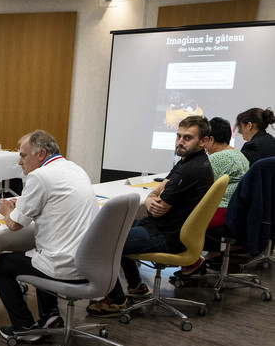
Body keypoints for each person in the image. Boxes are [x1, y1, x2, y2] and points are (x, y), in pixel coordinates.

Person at [87, 115, 214, 316]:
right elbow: (160, 188)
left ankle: (116, 300)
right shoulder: (189, 162)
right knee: (115, 230)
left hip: (166, 235)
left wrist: (153, 199)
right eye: (179, 136)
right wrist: (151, 196)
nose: (180, 141)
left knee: (103, 243)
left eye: (187, 138)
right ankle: (136, 286)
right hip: (162, 227)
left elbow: (157, 208)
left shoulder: (192, 169)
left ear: (204, 141)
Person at [0, 130, 98, 340]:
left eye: (23, 155)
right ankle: (49, 315)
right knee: (36, 250)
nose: (20, 162)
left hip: (64, 266)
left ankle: (24, 327)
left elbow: (14, 224)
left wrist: (5, 210)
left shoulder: (40, 176)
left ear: (41, 154)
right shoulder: (74, 168)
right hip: (89, 263)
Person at [176, 117, 248, 276]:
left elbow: (193, 184)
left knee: (179, 221)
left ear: (211, 139)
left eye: (204, 139)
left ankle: (193, 263)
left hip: (221, 209)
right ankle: (206, 256)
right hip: (235, 210)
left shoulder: (217, 158)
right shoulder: (238, 155)